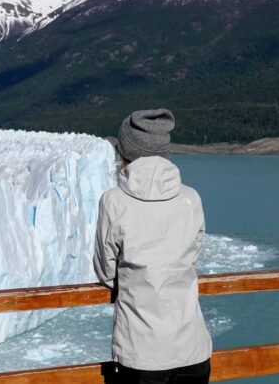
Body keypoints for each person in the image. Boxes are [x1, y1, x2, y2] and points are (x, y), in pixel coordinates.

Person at [94, 108, 212, 384]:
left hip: (142, 354)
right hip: (193, 350)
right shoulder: (191, 197)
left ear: (125, 152)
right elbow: (192, 253)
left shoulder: (113, 201)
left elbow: (106, 271)